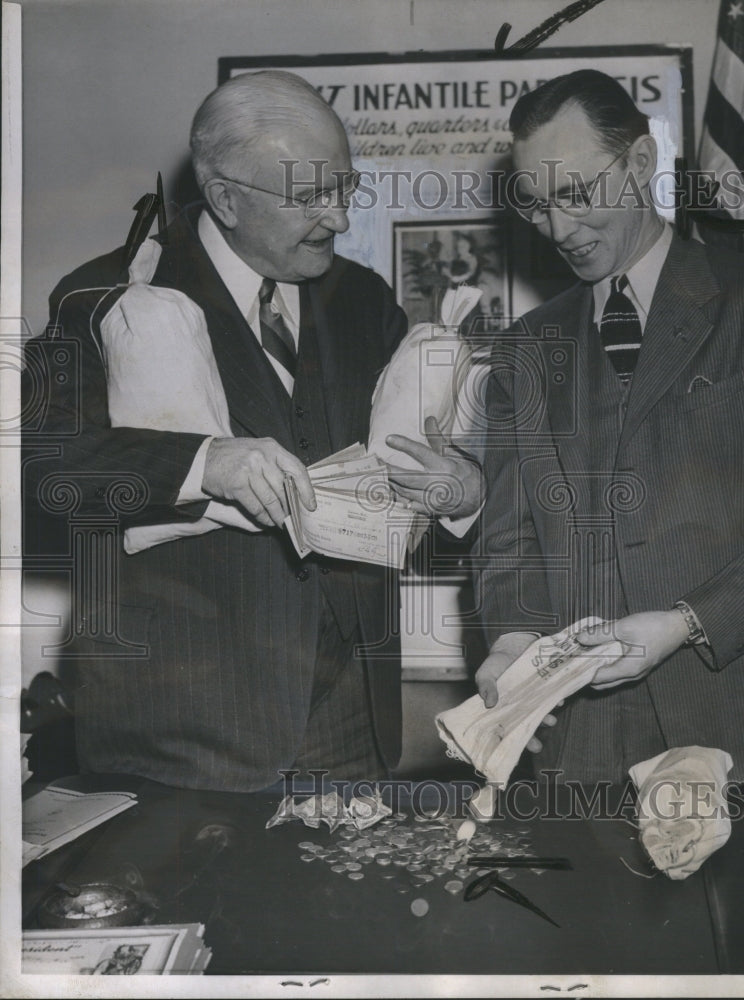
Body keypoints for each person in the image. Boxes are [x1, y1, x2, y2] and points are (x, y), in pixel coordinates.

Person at [22, 70, 480, 792]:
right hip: (180, 726)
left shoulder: (361, 297)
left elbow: (435, 436)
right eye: (308, 198)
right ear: (226, 197)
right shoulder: (108, 293)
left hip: (347, 716)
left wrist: (462, 483)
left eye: (344, 189)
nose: (337, 220)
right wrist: (204, 462)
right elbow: (43, 469)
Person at [474, 70, 744, 786]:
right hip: (579, 750)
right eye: (534, 204)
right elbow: (507, 536)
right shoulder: (524, 349)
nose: (557, 229)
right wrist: (511, 643)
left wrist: (684, 622)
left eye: (575, 194)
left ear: (642, 164)